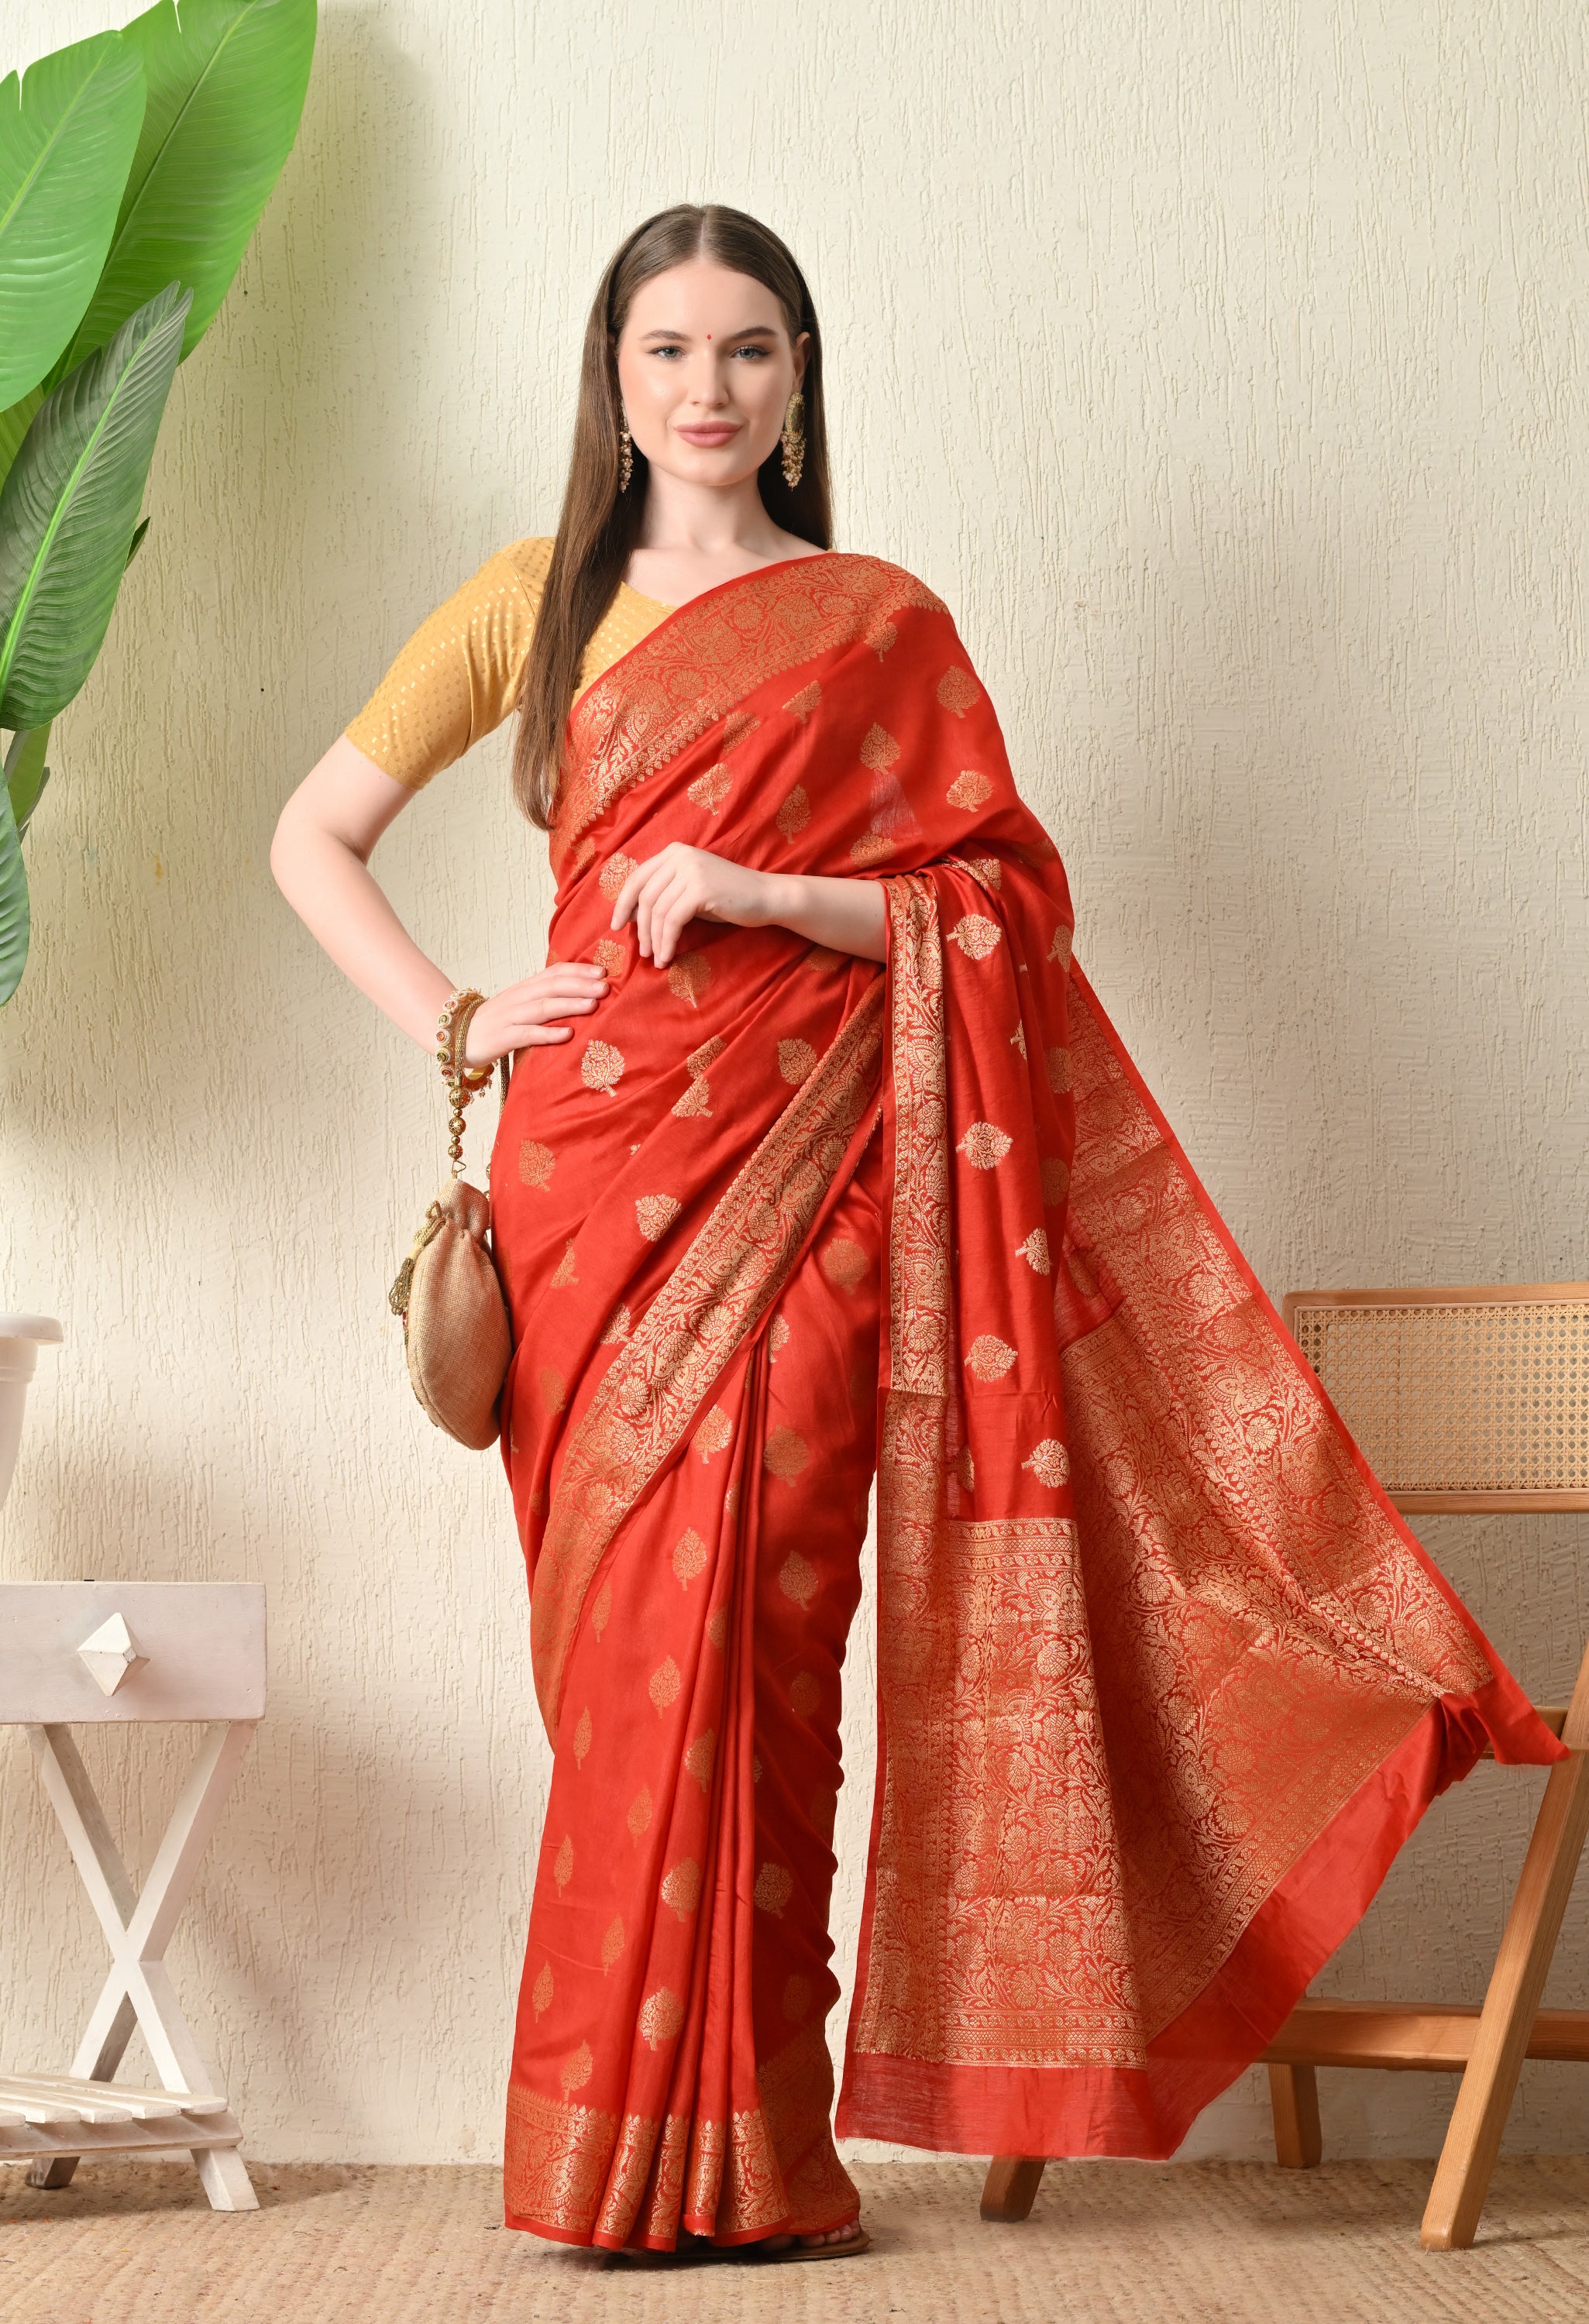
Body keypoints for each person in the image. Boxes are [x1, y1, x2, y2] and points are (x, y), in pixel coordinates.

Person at [271, 203, 1561, 2261]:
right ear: (608, 379)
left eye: (751, 350)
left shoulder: (876, 620)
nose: (709, 389)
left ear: (798, 379)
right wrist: (451, 1010)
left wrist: (766, 892)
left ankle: (758, 2158)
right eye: (670, 350)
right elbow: (308, 832)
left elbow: (1002, 916)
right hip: (594, 1190)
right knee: (621, 1678)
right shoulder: (528, 600)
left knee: (769, 1648)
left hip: (816, 1182)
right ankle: (607, 2163)